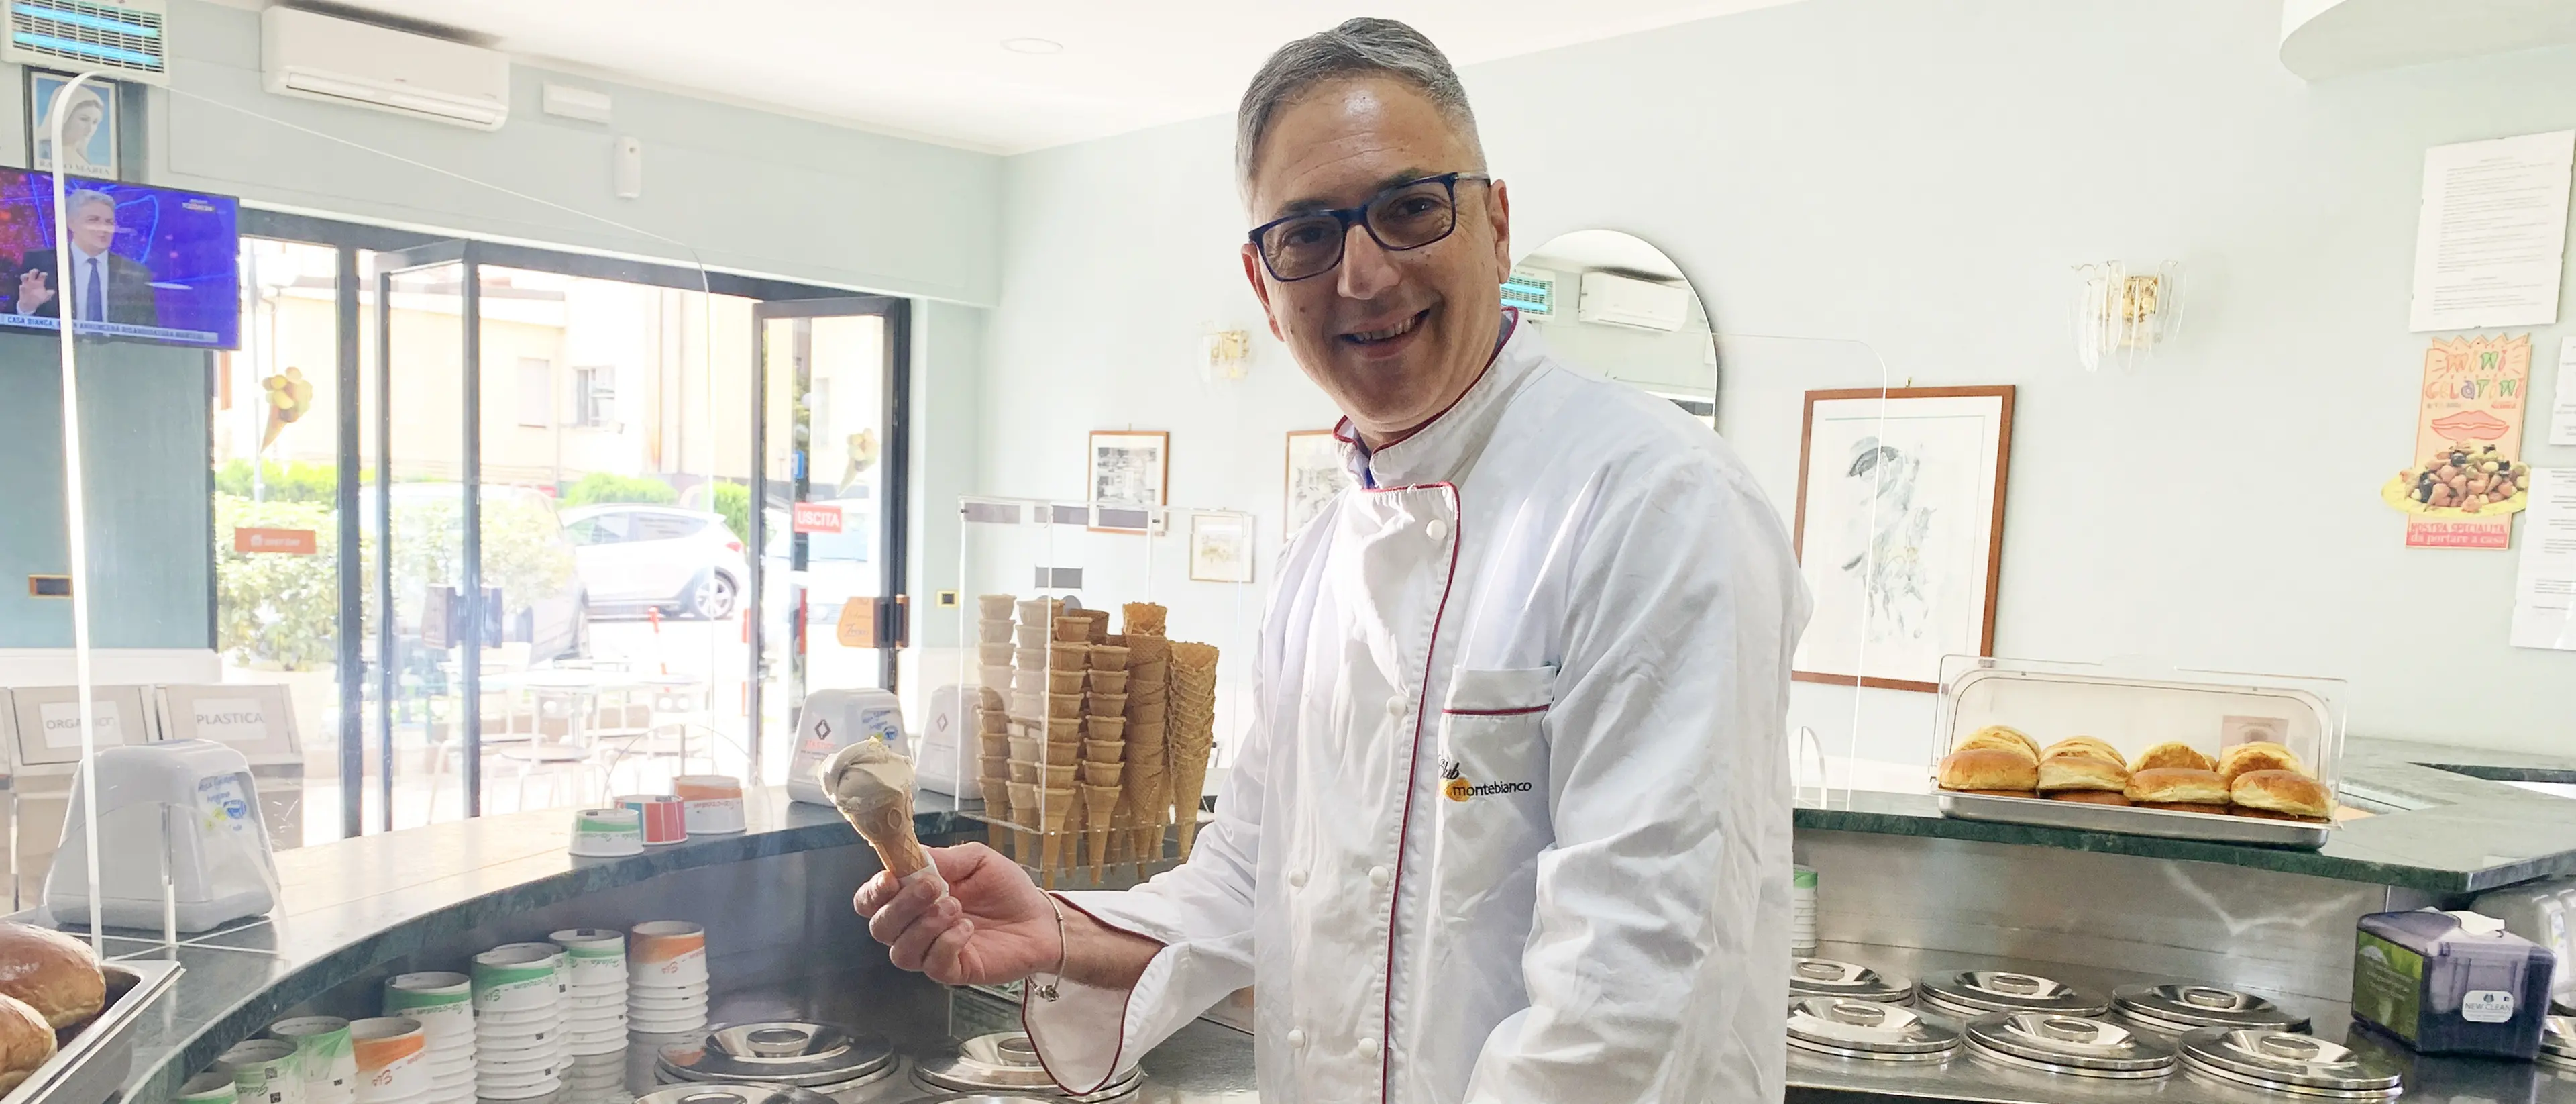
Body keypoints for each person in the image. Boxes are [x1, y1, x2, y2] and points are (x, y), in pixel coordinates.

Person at [856, 17, 1808, 1104]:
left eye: (1409, 209)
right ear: (1264, 285)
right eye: (1306, 236)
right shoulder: (1321, 563)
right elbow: (1250, 879)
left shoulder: (1654, 502)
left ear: (1497, 225)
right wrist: (1061, 928)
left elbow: (1637, 997)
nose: (1362, 273)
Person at [17, 189, 161, 326]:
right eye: (93, 220)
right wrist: (26, 307)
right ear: (71, 223)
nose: (103, 228)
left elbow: (149, 333)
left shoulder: (136, 274)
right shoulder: (39, 263)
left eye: (109, 222)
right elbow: (8, 323)